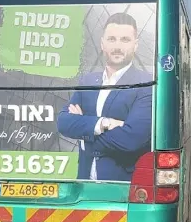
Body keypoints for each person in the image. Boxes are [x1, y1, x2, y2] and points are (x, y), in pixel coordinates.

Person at [57, 12, 152, 182]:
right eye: (111, 39)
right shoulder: (88, 81)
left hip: (123, 185)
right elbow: (63, 122)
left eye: (125, 40)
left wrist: (84, 134)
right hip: (85, 182)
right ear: (102, 43)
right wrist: (104, 123)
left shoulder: (146, 84)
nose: (117, 46)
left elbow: (131, 139)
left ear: (135, 45)